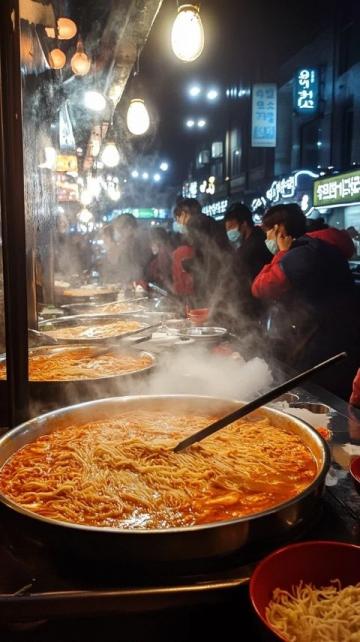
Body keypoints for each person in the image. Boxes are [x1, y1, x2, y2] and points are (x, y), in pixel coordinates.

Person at [252, 203, 360, 398]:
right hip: (339, 340)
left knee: (320, 402)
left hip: (324, 347)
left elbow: (261, 287)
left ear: (279, 229)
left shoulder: (301, 254)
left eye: (268, 233)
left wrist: (281, 252)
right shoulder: (321, 246)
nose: (266, 239)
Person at [224, 203, 272, 327]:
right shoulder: (251, 242)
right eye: (227, 229)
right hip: (254, 305)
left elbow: (243, 280)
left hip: (254, 307)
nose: (229, 232)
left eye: (231, 227)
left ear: (244, 224)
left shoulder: (254, 246)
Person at [146, 226, 174, 293]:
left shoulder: (163, 253)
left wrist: (173, 294)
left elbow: (166, 277)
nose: (150, 245)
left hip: (168, 293)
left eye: (151, 242)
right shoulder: (165, 251)